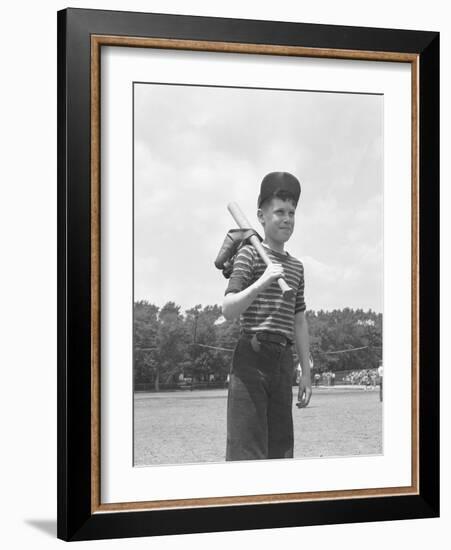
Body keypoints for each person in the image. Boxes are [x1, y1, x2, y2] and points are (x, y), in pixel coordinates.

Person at [222, 171, 311, 461]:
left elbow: (299, 321)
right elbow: (228, 308)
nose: (287, 219)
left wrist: (307, 372)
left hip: (283, 362)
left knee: (281, 452)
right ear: (261, 216)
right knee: (247, 453)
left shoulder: (296, 268)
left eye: (292, 213)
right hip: (251, 359)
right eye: (279, 212)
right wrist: (263, 281)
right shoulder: (248, 254)